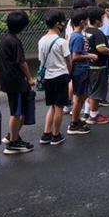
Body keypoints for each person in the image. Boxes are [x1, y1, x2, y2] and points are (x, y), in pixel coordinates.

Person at [0, 11, 35, 154]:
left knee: (17, 110)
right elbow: (21, 62)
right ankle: (13, 143)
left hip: (8, 80)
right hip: (16, 81)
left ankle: (12, 136)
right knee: (17, 113)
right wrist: (30, 78)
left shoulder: (6, 38)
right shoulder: (14, 41)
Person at [38, 11, 72, 146]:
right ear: (58, 24)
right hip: (61, 75)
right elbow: (68, 61)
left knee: (51, 106)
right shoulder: (61, 42)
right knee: (59, 106)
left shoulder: (41, 40)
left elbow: (41, 60)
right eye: (62, 22)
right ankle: (56, 135)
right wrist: (69, 73)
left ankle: (46, 134)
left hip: (48, 77)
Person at [83, 6, 109, 125]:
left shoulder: (86, 31)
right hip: (98, 67)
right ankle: (94, 115)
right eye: (103, 18)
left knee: (90, 91)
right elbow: (101, 48)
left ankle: (87, 113)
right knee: (97, 92)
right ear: (97, 20)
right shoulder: (98, 33)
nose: (104, 20)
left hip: (88, 65)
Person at [67, 9, 94, 135]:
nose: (88, 22)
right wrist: (90, 56)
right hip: (80, 70)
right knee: (79, 97)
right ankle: (74, 123)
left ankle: (76, 120)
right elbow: (75, 56)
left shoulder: (75, 35)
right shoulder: (77, 37)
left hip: (81, 70)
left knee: (82, 96)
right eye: (86, 20)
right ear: (82, 22)